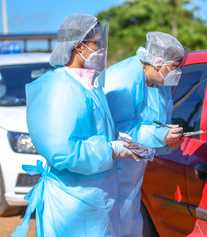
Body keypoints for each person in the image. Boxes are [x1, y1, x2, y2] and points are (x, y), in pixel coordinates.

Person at [13, 14, 137, 237]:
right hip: (72, 204)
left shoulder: (90, 84)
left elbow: (97, 129)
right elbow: (63, 151)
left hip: (96, 199)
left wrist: (120, 138)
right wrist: (110, 149)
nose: (102, 50)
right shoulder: (60, 87)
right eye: (97, 44)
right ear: (79, 46)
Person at [104, 31, 185, 237]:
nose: (177, 73)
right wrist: (160, 135)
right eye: (175, 67)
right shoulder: (121, 80)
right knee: (112, 222)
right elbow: (117, 129)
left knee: (129, 221)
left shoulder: (159, 82)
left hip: (134, 169)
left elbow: (157, 119)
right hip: (113, 168)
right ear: (158, 62)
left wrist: (167, 138)